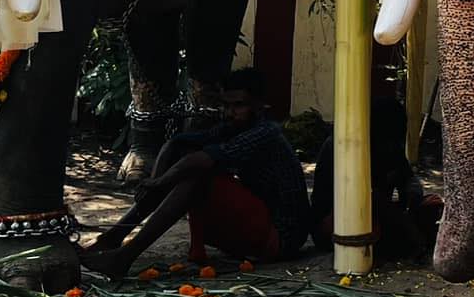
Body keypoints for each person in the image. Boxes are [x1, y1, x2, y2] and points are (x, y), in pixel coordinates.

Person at [84, 66, 310, 276]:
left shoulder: (265, 132)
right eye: (226, 105)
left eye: (239, 105)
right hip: (257, 225)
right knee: (188, 167)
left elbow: (200, 161)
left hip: (280, 238)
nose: (230, 112)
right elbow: (177, 144)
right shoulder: (233, 126)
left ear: (259, 105)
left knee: (198, 175)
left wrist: (160, 182)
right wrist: (155, 182)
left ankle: (125, 256)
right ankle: (114, 237)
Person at [311, 95, 441, 262]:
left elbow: (408, 179)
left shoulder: (391, 146)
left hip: (382, 216)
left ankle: (409, 238)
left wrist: (412, 199)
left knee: (432, 204)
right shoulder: (343, 146)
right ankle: (409, 240)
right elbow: (364, 199)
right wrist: (405, 224)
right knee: (373, 201)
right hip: (338, 222)